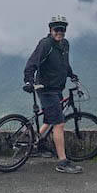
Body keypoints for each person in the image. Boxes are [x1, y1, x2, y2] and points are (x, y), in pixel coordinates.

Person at [23, 15, 82, 174]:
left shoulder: (65, 44)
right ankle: (62, 162)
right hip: (46, 88)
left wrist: (71, 74)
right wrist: (29, 81)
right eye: (56, 29)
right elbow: (31, 63)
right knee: (59, 123)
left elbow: (64, 63)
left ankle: (33, 142)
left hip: (57, 88)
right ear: (50, 30)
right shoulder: (46, 44)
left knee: (50, 119)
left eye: (62, 29)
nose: (59, 32)